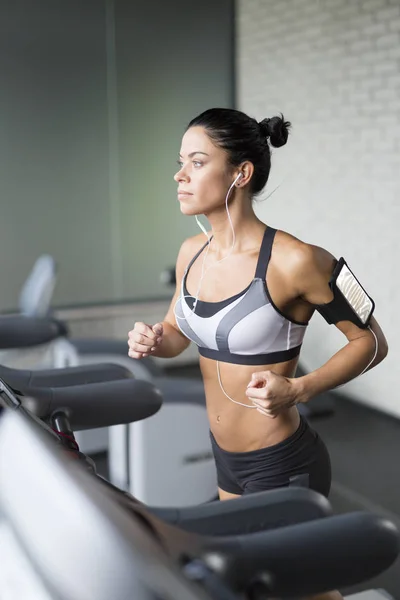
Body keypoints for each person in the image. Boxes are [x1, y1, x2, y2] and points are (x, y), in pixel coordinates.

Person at [127, 107, 387, 503]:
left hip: (282, 461)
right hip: (225, 456)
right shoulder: (190, 252)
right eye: (181, 163)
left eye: (197, 163)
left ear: (241, 174)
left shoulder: (297, 260)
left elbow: (371, 343)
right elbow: (177, 334)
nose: (180, 176)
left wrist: (299, 389)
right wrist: (153, 339)